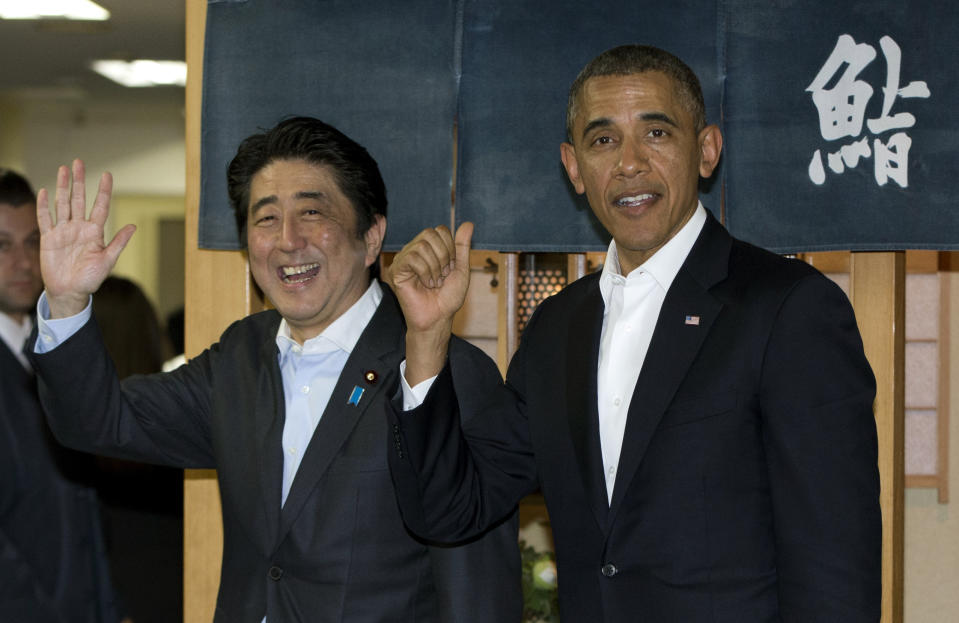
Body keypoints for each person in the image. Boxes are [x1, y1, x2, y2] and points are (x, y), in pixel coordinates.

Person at [386, 45, 881, 622]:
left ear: (706, 150)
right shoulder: (555, 328)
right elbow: (451, 511)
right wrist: (425, 336)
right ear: (573, 168)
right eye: (602, 141)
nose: (629, 163)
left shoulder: (788, 307)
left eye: (657, 133)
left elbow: (834, 562)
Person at [28, 117, 521, 623]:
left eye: (312, 211)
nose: (287, 240)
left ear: (372, 237)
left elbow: (475, 581)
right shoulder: (241, 355)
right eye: (265, 219)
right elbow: (98, 421)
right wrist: (67, 301)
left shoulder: (446, 369)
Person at [0, 168, 123, 622]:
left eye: (33, 242)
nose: (24, 262)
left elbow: (83, 501)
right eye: (2, 246)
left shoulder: (59, 346)